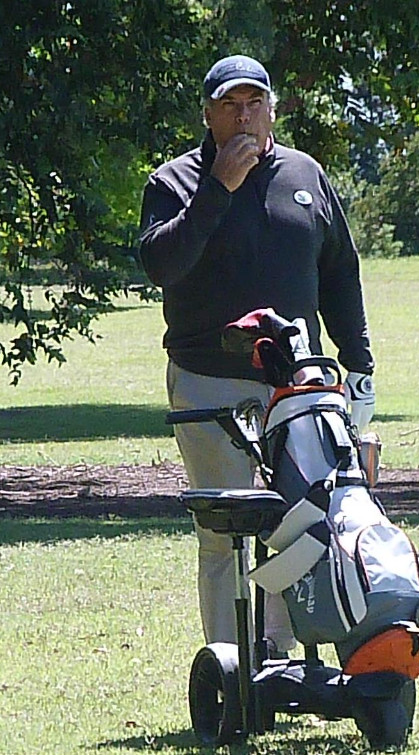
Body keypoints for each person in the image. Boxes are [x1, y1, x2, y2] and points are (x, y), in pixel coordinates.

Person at [138, 54, 375, 655]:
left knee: (300, 520)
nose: (244, 118)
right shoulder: (175, 183)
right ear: (208, 114)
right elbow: (161, 264)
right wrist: (218, 189)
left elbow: (340, 273)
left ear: (272, 109)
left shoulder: (305, 174)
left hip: (296, 385)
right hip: (207, 379)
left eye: (254, 104)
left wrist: (359, 362)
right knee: (224, 530)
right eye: (229, 106)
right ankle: (230, 664)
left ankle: (278, 652)